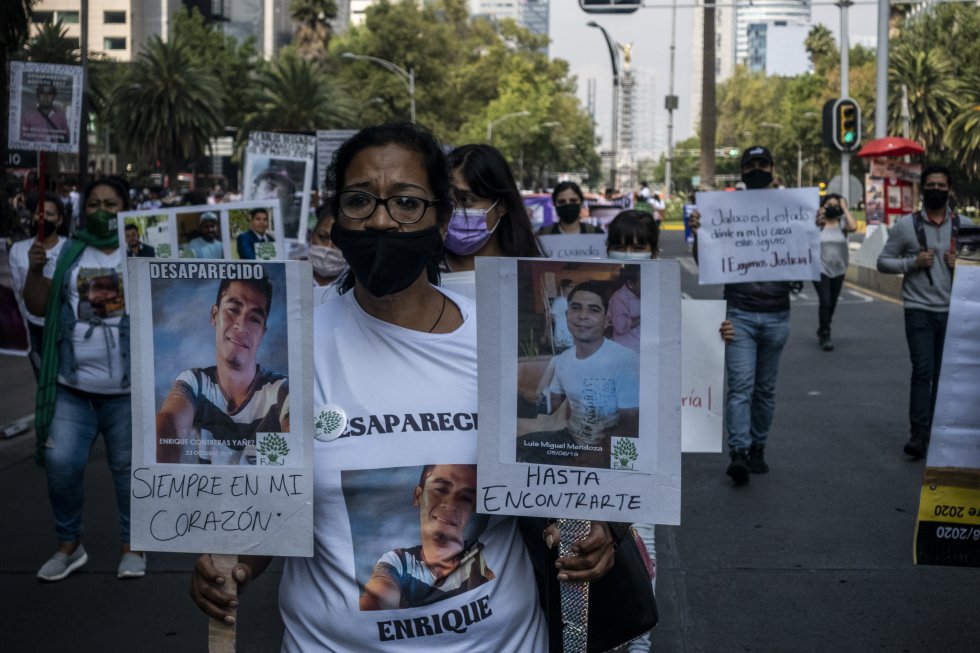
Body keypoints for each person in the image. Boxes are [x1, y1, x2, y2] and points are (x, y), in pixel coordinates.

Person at [190, 123, 623, 652]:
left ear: (441, 220)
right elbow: (270, 512)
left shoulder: (500, 342)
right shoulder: (292, 353)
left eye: (406, 203)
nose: (380, 219)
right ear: (336, 217)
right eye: (359, 200)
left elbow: (560, 481)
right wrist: (232, 564)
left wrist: (593, 531)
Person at [23, 176, 145, 581]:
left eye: (111, 204)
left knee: (127, 471)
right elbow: (39, 305)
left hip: (126, 391)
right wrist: (36, 271)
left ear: (125, 210)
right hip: (72, 388)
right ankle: (69, 545)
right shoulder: (69, 252)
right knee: (61, 465)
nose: (102, 211)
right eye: (94, 204)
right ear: (82, 210)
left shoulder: (140, 252)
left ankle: (132, 546)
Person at [690, 145, 791, 486]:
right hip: (739, 314)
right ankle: (739, 452)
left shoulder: (790, 209)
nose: (757, 169)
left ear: (772, 169)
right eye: (751, 164)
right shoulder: (725, 210)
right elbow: (706, 261)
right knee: (740, 387)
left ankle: (758, 446)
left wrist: (815, 228)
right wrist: (700, 233)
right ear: (743, 171)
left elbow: (804, 256)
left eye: (763, 163)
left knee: (765, 389)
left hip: (778, 314)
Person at [156, 277, 288, 464]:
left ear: (262, 334)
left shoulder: (282, 390)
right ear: (214, 315)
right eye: (233, 310)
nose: (241, 326)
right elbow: (169, 420)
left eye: (254, 319)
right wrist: (161, 465)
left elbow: (297, 430)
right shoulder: (195, 383)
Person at [877, 164, 960, 460]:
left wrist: (961, 263)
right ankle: (919, 433)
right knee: (923, 370)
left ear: (949, 190)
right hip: (918, 309)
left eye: (941, 186)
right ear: (922, 189)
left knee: (942, 374)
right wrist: (912, 263)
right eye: (931, 185)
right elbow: (883, 262)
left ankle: (937, 429)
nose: (936, 190)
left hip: (953, 311)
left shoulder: (964, 226)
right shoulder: (906, 226)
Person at [518, 281, 640, 468]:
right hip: (570, 440)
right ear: (567, 315)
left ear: (607, 320)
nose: (583, 316)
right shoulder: (563, 360)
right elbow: (550, 405)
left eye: (593, 310)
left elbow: (631, 425)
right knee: (516, 447)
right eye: (576, 308)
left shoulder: (625, 359)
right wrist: (519, 391)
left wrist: (599, 454)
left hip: (608, 447)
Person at [359, 464, 495, 611]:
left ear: (471, 511)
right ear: (418, 496)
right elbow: (377, 598)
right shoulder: (399, 563)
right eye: (441, 490)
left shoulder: (484, 556)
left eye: (465, 498)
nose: (450, 504)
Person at [444, 144, 542, 272]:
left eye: (466, 200)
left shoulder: (530, 273)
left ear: (502, 205)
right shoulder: (424, 271)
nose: (453, 210)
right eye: (447, 200)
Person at [8, 192, 68, 374]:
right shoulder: (18, 250)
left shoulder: (70, 247)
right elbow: (17, 291)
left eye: (50, 214)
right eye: (39, 214)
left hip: (64, 326)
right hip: (34, 327)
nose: (43, 219)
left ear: (59, 220)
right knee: (42, 375)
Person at [812, 193, 857, 351]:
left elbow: (854, 227)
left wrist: (844, 207)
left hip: (839, 269)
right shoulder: (818, 224)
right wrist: (816, 218)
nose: (832, 208)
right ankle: (825, 333)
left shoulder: (842, 224)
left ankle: (823, 327)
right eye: (829, 205)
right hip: (820, 268)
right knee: (825, 301)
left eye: (836, 206)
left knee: (832, 302)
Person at [537, 181, 602, 235]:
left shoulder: (597, 233)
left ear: (581, 203)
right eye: (562, 202)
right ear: (554, 204)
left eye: (573, 201)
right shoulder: (542, 234)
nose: (568, 205)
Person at [308, 204, 346, 290]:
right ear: (311, 236)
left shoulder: (357, 287)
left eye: (338, 240)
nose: (328, 247)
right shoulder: (289, 274)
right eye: (322, 237)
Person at [20, 79, 70, 144]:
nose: (45, 97)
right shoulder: (27, 115)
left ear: (54, 96)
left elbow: (67, 137)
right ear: (38, 95)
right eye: (42, 93)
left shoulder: (61, 115)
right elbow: (22, 140)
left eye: (49, 94)